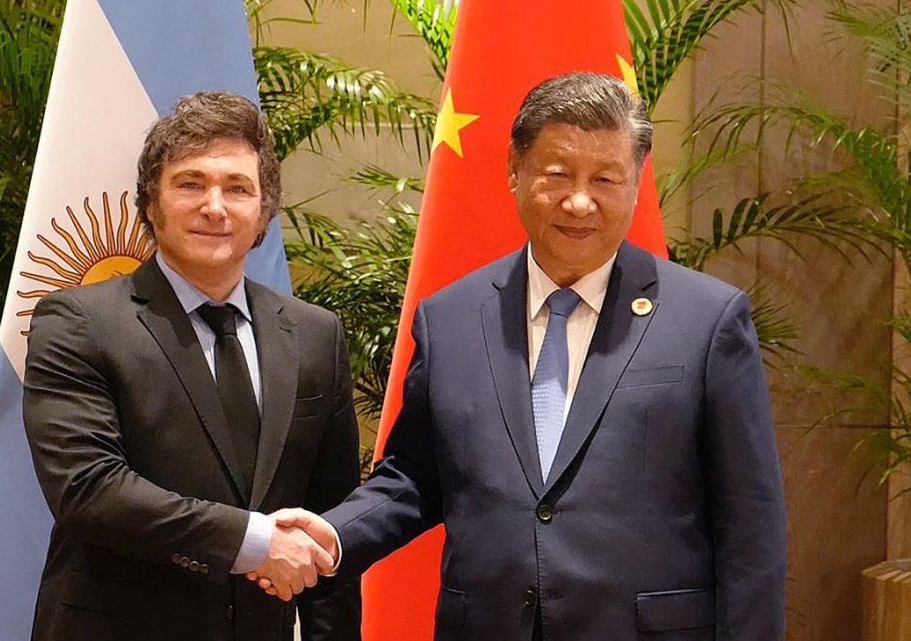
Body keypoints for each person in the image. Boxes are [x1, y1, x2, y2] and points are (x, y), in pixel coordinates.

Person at [258, 72, 787, 640]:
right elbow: (413, 477)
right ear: (515, 171)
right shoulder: (451, 318)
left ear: (635, 185)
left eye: (605, 178)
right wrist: (331, 536)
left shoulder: (707, 320)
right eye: (557, 174)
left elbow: (751, 526)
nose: (580, 201)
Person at [22, 92, 361, 641]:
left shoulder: (316, 335)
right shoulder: (78, 321)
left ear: (263, 214)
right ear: (150, 204)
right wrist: (252, 541)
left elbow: (330, 519)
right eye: (190, 183)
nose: (215, 206)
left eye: (237, 188)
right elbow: (88, 488)